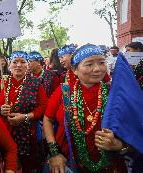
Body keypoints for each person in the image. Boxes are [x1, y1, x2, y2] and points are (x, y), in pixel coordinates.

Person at [43, 44, 127, 173]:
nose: (98, 69)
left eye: (101, 62)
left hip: (111, 164)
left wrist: (119, 145)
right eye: (89, 64)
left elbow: (133, 130)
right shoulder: (64, 92)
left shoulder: (115, 93)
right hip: (71, 161)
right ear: (75, 70)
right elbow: (48, 119)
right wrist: (54, 153)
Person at [0, 51, 48, 173]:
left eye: (22, 62)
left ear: (28, 65)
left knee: (27, 166)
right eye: (15, 62)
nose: (18, 65)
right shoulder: (3, 81)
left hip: (28, 134)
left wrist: (25, 117)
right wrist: (0, 109)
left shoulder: (36, 83)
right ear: (9, 65)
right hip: (4, 132)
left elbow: (43, 107)